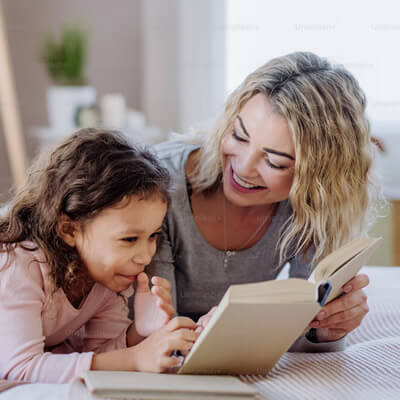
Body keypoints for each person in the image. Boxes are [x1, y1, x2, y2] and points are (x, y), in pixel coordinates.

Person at [145, 51, 379, 350]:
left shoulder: (311, 205)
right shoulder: (157, 185)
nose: (242, 168)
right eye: (239, 136)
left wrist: (326, 330)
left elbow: (305, 336)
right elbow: (154, 334)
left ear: (317, 177)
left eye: (276, 162)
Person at [0, 129, 198, 384]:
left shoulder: (107, 278)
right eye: (129, 239)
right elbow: (19, 370)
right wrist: (136, 358)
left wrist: (137, 334)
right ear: (70, 230)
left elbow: (95, 358)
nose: (145, 256)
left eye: (153, 236)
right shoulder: (20, 264)